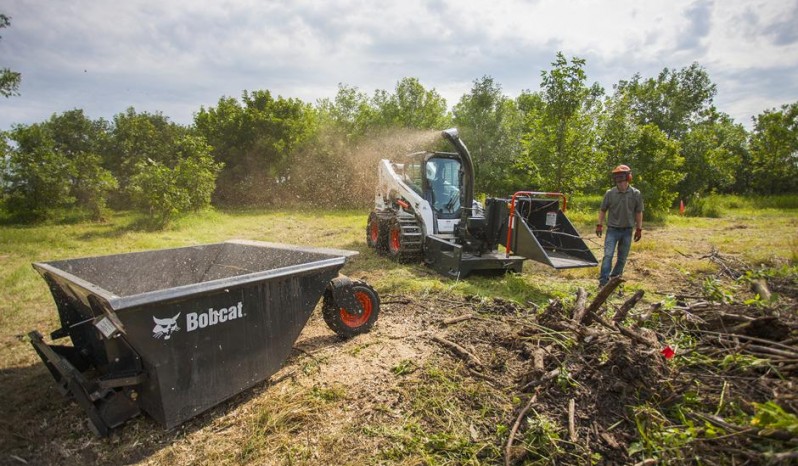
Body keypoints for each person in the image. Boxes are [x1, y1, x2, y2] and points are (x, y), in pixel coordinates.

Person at [596, 164, 644, 288]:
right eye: (618, 179)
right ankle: (603, 282)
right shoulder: (610, 193)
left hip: (627, 230)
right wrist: (599, 225)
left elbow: (638, 212)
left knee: (622, 258)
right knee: (608, 255)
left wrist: (639, 229)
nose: (620, 182)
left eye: (622, 178)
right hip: (612, 230)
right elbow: (603, 210)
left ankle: (615, 279)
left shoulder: (635, 193)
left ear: (628, 178)